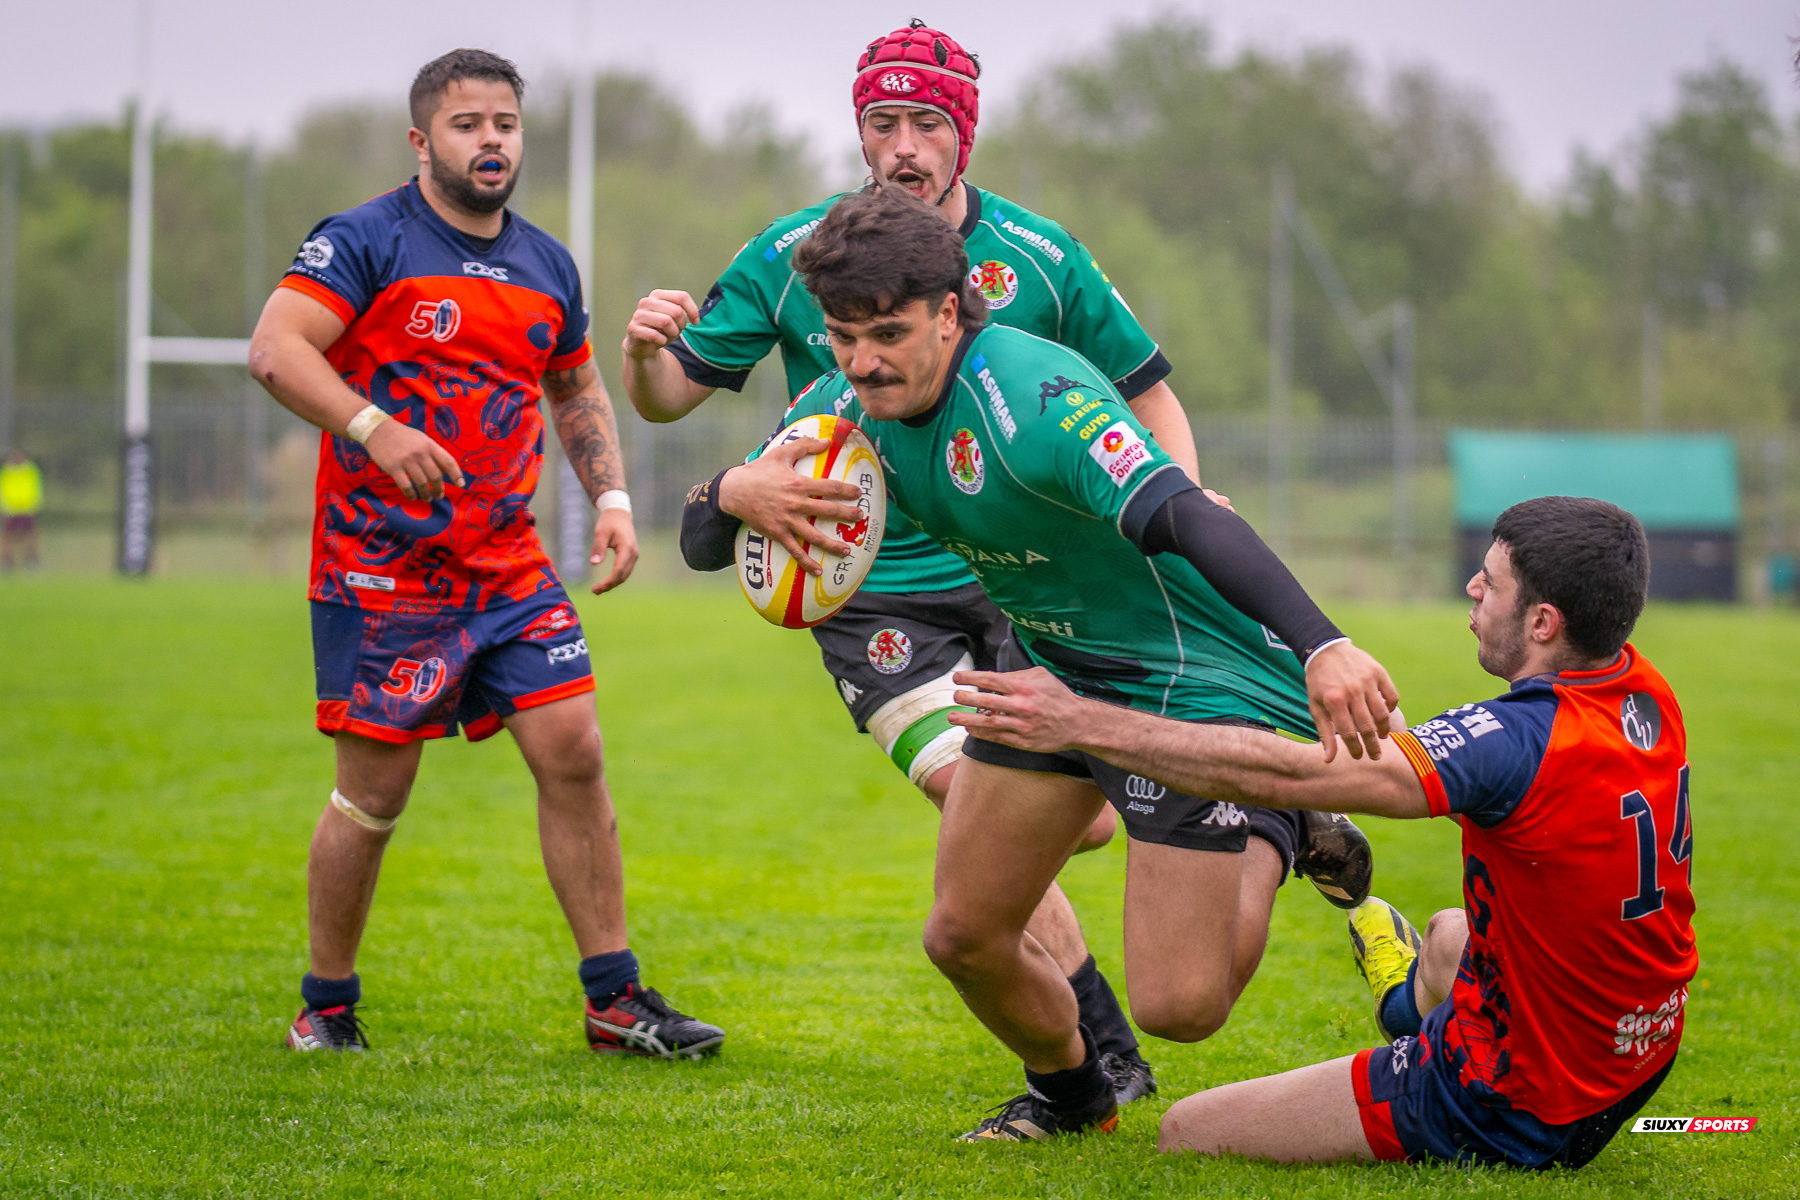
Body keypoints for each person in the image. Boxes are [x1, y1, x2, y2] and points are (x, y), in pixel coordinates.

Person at [638, 21, 1370, 1105]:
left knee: (1187, 1000)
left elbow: (1182, 512)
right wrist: (730, 490)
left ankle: (1267, 800)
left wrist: (1324, 645)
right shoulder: (842, 381)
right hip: (987, 639)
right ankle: (1082, 1089)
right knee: (965, 929)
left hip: (1151, 656)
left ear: (950, 310)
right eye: (842, 336)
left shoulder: (1038, 389)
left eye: (884, 333)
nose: (859, 360)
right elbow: (704, 531)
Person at [953, 495, 1696, 1169]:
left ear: (1543, 623)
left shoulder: (1513, 742)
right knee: (1445, 937)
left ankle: (1413, 1035)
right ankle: (1402, 1003)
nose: (1473, 589)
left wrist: (1080, 722)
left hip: (1520, 1099)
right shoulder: (1643, 691)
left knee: (1188, 1129)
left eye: (1490, 582)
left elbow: (1295, 776)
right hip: (1639, 1048)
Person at [248, 48, 722, 1059]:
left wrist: (614, 498)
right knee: (373, 796)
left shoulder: (547, 263)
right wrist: (374, 426)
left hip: (508, 570)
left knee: (577, 753)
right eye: (468, 124)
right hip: (384, 570)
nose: (491, 140)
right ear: (423, 141)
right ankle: (324, 1008)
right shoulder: (364, 240)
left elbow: (577, 385)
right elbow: (276, 348)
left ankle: (614, 999)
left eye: (505, 122)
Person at [0, 448, 44, 571]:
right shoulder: (6, 471)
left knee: (30, 537)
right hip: (10, 510)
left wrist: (35, 506)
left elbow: (37, 489)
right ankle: (7, 564)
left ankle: (31, 563)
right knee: (7, 538)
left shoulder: (31, 470)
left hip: (27, 509)